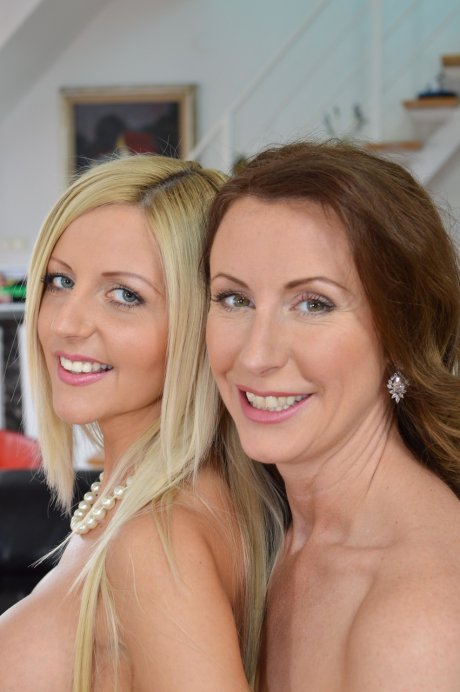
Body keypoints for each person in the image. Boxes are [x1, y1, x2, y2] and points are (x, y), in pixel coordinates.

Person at [0, 154, 285, 691]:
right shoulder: (143, 505)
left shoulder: (156, 538)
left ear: (200, 320)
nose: (67, 323)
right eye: (60, 280)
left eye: (125, 295)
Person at [205, 140, 460, 691]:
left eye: (313, 304)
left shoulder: (419, 613)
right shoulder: (261, 533)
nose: (255, 355)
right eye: (234, 299)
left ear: (400, 336)